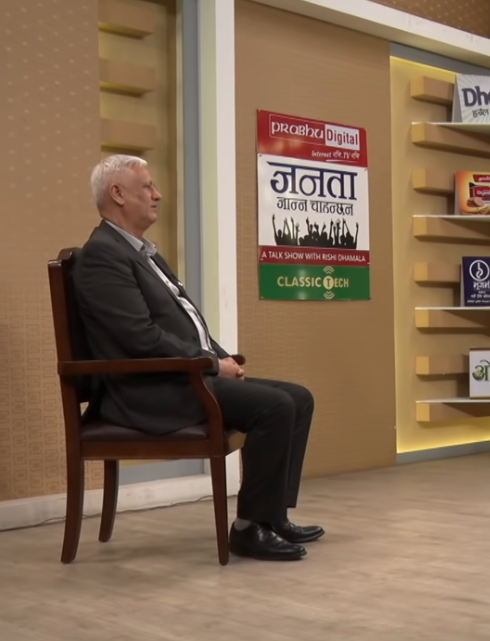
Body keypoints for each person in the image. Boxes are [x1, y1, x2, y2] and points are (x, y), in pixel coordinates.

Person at [72, 154, 323, 561]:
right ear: (117, 193)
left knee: (298, 397)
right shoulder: (102, 256)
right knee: (274, 406)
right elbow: (139, 337)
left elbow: (187, 322)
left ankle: (272, 515)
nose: (158, 194)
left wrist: (223, 360)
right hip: (148, 391)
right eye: (147, 186)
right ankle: (249, 529)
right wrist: (211, 365)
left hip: (181, 377)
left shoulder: (141, 252)